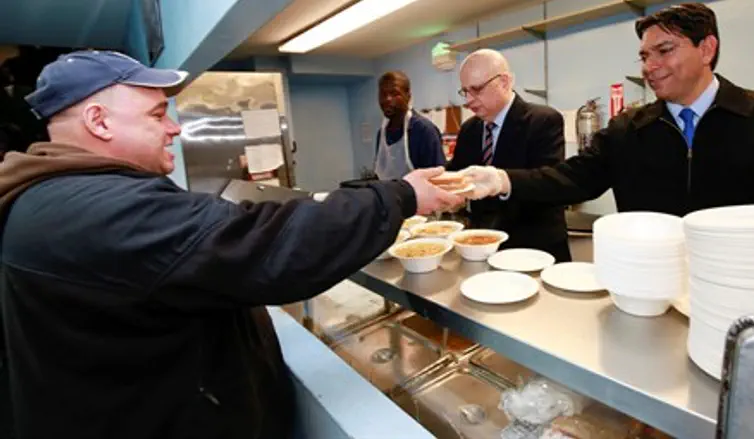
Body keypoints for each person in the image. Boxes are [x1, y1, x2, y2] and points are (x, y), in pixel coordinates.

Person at [0, 50, 463, 439]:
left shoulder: (50, 197)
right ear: (99, 122)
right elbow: (272, 245)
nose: (175, 129)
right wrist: (401, 195)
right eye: (158, 115)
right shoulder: (98, 210)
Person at [460, 3, 754, 218]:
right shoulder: (628, 129)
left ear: (706, 49)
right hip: (648, 289)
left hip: (741, 290)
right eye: (644, 56)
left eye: (664, 51)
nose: (650, 67)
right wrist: (501, 180)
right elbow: (570, 178)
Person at [448, 49, 571, 262]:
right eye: (464, 91)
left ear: (504, 82)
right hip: (483, 248)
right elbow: (458, 172)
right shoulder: (470, 129)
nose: (468, 100)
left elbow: (551, 183)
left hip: (533, 249)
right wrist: (437, 182)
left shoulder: (543, 120)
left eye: (476, 89)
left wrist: (500, 181)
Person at [374, 71, 446, 180]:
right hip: (388, 196)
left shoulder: (424, 131)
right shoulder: (382, 134)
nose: (387, 99)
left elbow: (438, 178)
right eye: (383, 94)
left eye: (394, 93)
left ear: (408, 97)